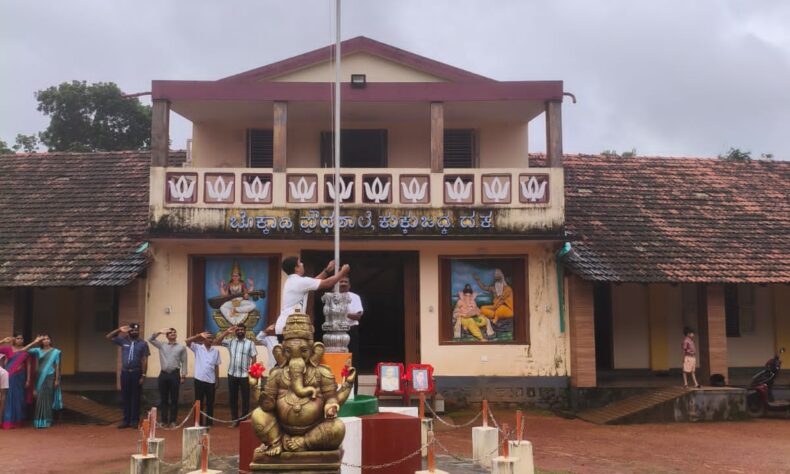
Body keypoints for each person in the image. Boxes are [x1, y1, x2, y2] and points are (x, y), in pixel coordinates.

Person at [274, 256, 350, 339]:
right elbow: (327, 283)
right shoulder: (299, 281)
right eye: (300, 263)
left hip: (287, 326)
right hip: (291, 327)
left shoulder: (294, 281)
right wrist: (342, 272)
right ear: (296, 268)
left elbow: (314, 281)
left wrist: (327, 271)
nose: (302, 264)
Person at [106, 323, 149, 429]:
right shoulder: (123, 340)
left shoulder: (143, 344)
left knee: (135, 397)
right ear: (129, 331)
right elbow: (108, 337)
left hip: (136, 372)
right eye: (132, 330)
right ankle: (126, 420)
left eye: (136, 330)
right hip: (125, 373)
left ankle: (134, 420)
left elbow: (144, 360)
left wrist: (143, 375)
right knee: (125, 396)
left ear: (139, 331)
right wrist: (119, 330)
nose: (134, 332)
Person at [215, 323, 257, 427]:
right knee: (233, 398)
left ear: (245, 331)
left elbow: (254, 358)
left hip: (245, 375)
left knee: (245, 399)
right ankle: (234, 420)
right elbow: (217, 341)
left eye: (242, 329)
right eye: (238, 330)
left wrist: (252, 373)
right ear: (235, 331)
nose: (240, 331)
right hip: (232, 374)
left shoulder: (250, 343)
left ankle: (243, 420)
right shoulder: (231, 342)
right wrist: (226, 332)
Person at [148, 327, 187, 428]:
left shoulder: (181, 347)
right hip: (163, 375)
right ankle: (164, 421)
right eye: (170, 333)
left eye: (174, 332)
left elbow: (184, 362)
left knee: (174, 399)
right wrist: (159, 332)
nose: (173, 333)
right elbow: (150, 339)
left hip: (175, 375)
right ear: (167, 336)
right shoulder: (162, 345)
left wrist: (183, 375)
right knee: (163, 399)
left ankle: (173, 421)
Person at [23, 335, 63, 428]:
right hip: (40, 377)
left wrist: (57, 379)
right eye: (43, 339)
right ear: (41, 342)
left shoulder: (56, 352)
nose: (46, 340)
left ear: (50, 340)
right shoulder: (38, 350)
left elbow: (57, 366)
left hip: (50, 377)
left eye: (48, 339)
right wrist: (35, 342)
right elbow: (24, 350)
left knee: (48, 399)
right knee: (39, 398)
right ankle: (39, 420)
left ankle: (47, 420)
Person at [185, 331, 221, 426]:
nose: (210, 340)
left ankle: (209, 422)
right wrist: (198, 335)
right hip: (199, 379)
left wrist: (217, 379)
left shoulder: (216, 351)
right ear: (204, 339)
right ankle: (198, 422)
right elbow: (187, 341)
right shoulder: (197, 348)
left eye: (212, 338)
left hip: (211, 381)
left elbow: (216, 366)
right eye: (208, 338)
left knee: (210, 403)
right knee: (198, 402)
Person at [0, 334, 33, 429]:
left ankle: (17, 421)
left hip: (20, 377)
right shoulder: (8, 349)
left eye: (21, 338)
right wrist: (3, 341)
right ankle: (7, 421)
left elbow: (29, 365)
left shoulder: (26, 352)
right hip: (10, 376)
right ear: (14, 340)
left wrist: (28, 379)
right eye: (18, 338)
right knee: (9, 397)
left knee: (19, 398)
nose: (20, 340)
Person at [338, 276, 364, 368]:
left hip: (351, 329)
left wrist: (343, 313)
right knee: (337, 353)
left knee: (353, 355)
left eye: (346, 282)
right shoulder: (332, 297)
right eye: (341, 282)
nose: (343, 284)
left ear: (349, 285)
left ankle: (353, 377)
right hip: (336, 330)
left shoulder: (355, 297)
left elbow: (358, 316)